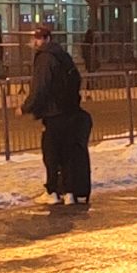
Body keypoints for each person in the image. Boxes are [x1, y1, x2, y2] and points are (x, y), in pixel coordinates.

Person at [24, 21, 90, 204]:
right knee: (67, 153)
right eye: (35, 38)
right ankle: (69, 192)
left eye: (38, 38)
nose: (35, 42)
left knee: (51, 154)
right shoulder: (62, 55)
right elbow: (76, 78)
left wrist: (27, 107)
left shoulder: (44, 58)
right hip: (69, 111)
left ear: (46, 39)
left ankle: (52, 191)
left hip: (54, 114)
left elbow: (41, 86)